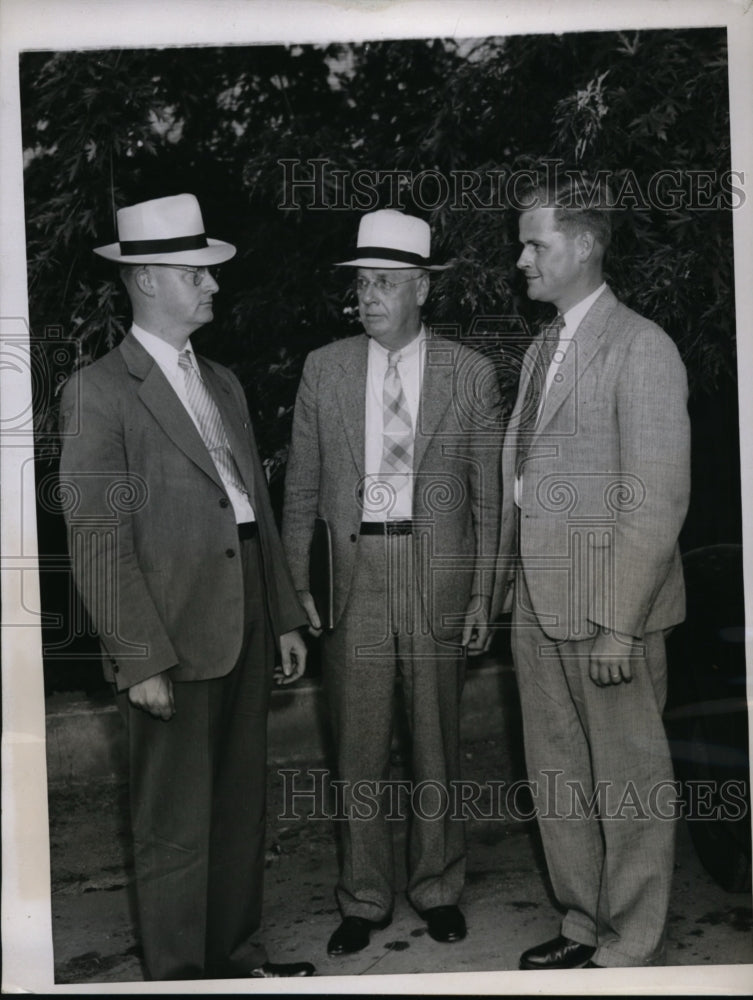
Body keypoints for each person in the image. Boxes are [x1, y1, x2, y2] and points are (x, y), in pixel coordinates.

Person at [58, 194, 315, 981]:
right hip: (168, 635)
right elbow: (97, 535)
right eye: (194, 273)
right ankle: (177, 976)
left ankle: (233, 956)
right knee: (173, 822)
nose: (211, 286)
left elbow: (254, 513)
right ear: (144, 282)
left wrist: (281, 616)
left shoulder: (224, 382)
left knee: (239, 809)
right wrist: (138, 659)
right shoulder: (99, 390)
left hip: (241, 622)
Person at [282, 209, 502, 956]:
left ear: (421, 292)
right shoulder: (326, 367)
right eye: (360, 284)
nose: (366, 297)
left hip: (436, 571)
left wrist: (483, 593)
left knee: (436, 738)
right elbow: (302, 489)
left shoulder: (470, 374)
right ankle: (364, 895)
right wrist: (294, 584)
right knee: (359, 743)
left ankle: (437, 886)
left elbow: (488, 496)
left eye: (383, 283)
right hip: (356, 572)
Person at [498, 174, 691, 969]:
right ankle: (581, 924)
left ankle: (631, 941)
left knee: (629, 785)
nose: (520, 260)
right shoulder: (545, 346)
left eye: (533, 243)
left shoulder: (641, 346)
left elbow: (655, 496)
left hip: (609, 611)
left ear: (581, 244)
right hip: (537, 606)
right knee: (558, 782)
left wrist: (619, 622)